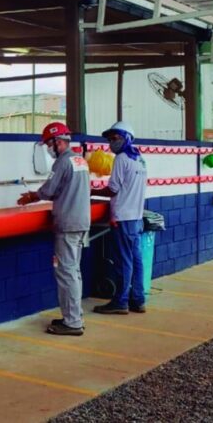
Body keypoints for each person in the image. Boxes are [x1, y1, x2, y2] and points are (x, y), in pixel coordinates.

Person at [17, 122, 91, 336]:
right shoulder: (80, 160)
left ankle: (72, 322)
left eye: (49, 144)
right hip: (80, 222)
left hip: (67, 224)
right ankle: (74, 316)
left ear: (58, 142)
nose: (48, 149)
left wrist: (32, 196)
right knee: (73, 272)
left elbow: (49, 190)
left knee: (66, 273)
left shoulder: (62, 162)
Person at [93, 121, 148, 315]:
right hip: (136, 218)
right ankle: (138, 299)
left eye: (115, 138)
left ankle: (120, 302)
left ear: (127, 138)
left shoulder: (121, 159)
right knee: (136, 260)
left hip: (123, 218)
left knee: (123, 261)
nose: (111, 142)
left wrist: (91, 190)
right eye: (110, 139)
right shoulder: (140, 159)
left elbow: (113, 189)